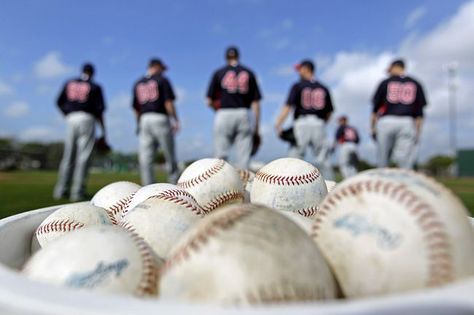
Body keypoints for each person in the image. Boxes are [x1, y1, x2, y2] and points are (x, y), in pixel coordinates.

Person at [54, 63, 107, 201]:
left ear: (82, 71)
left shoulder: (69, 82)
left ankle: (60, 190)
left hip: (71, 118)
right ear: (93, 73)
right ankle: (77, 192)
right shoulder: (95, 86)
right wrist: (103, 131)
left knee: (68, 155)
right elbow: (100, 111)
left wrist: (68, 113)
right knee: (83, 157)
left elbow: (59, 102)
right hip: (87, 118)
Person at [275, 59, 335, 180]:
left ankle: (288, 188)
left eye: (300, 69)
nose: (299, 72)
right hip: (319, 123)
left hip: (301, 123)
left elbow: (288, 106)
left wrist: (278, 123)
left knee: (295, 158)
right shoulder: (323, 87)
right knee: (323, 158)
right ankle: (330, 189)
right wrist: (322, 123)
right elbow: (329, 111)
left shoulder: (298, 85)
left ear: (307, 69)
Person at [206, 46, 262, 169]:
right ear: (238, 56)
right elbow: (256, 103)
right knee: (243, 157)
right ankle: (244, 187)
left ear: (226, 57)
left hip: (224, 112)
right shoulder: (249, 72)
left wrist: (218, 111)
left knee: (220, 156)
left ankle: (219, 187)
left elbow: (209, 101)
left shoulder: (219, 73)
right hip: (244, 113)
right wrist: (256, 128)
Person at [371, 59, 427, 169]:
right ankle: (405, 185)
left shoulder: (385, 82)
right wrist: (418, 131)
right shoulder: (415, 83)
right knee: (405, 161)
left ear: (394, 67)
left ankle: (382, 183)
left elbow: (375, 109)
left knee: (383, 159)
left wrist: (372, 127)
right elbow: (419, 113)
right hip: (407, 122)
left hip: (386, 121)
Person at [132, 58, 180, 185]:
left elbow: (136, 109)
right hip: (160, 118)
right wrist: (175, 119)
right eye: (162, 69)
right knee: (169, 154)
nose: (163, 72)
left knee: (146, 158)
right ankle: (175, 184)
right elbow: (168, 102)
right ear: (156, 66)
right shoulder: (162, 80)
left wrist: (138, 123)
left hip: (144, 119)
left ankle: (147, 187)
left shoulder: (138, 82)